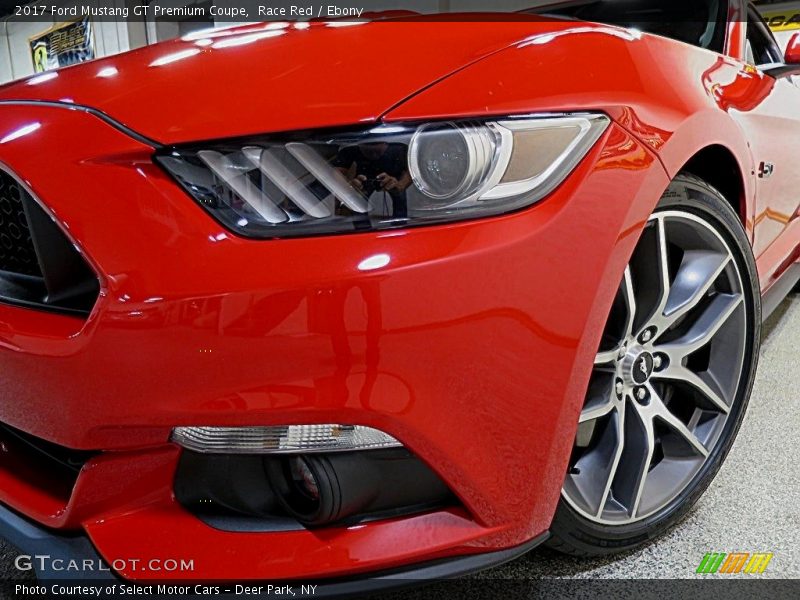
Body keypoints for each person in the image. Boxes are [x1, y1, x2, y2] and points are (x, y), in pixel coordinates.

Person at [333, 141, 411, 218]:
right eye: (369, 151)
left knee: (359, 203)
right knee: (399, 200)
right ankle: (400, 222)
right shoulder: (400, 148)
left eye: (377, 151)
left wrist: (400, 185)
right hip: (366, 179)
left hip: (366, 178)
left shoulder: (350, 149)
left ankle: (362, 226)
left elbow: (411, 171)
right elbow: (337, 173)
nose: (373, 154)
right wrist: (349, 187)